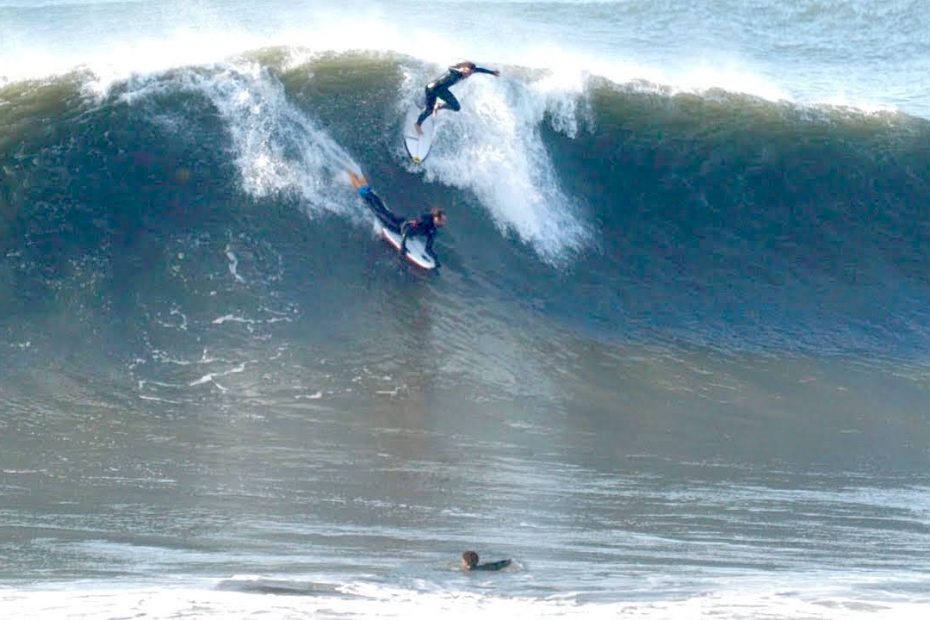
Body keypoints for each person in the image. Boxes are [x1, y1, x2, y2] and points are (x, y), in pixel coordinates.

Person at [347, 170, 446, 265]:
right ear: (436, 218)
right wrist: (403, 246)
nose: (443, 223)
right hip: (396, 225)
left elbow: (428, 248)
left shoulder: (433, 230)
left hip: (400, 224)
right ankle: (359, 186)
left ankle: (365, 187)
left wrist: (435, 259)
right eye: (442, 220)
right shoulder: (425, 221)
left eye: (444, 221)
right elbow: (407, 229)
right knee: (376, 209)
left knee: (379, 207)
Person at [415, 61, 500, 135]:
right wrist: (460, 68)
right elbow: (451, 68)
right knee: (429, 109)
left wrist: (492, 72)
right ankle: (418, 125)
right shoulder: (455, 72)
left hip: (442, 90)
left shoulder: (469, 71)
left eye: (470, 73)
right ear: (463, 68)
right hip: (432, 89)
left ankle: (438, 105)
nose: (468, 75)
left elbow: (479, 70)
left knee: (456, 107)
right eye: (467, 72)